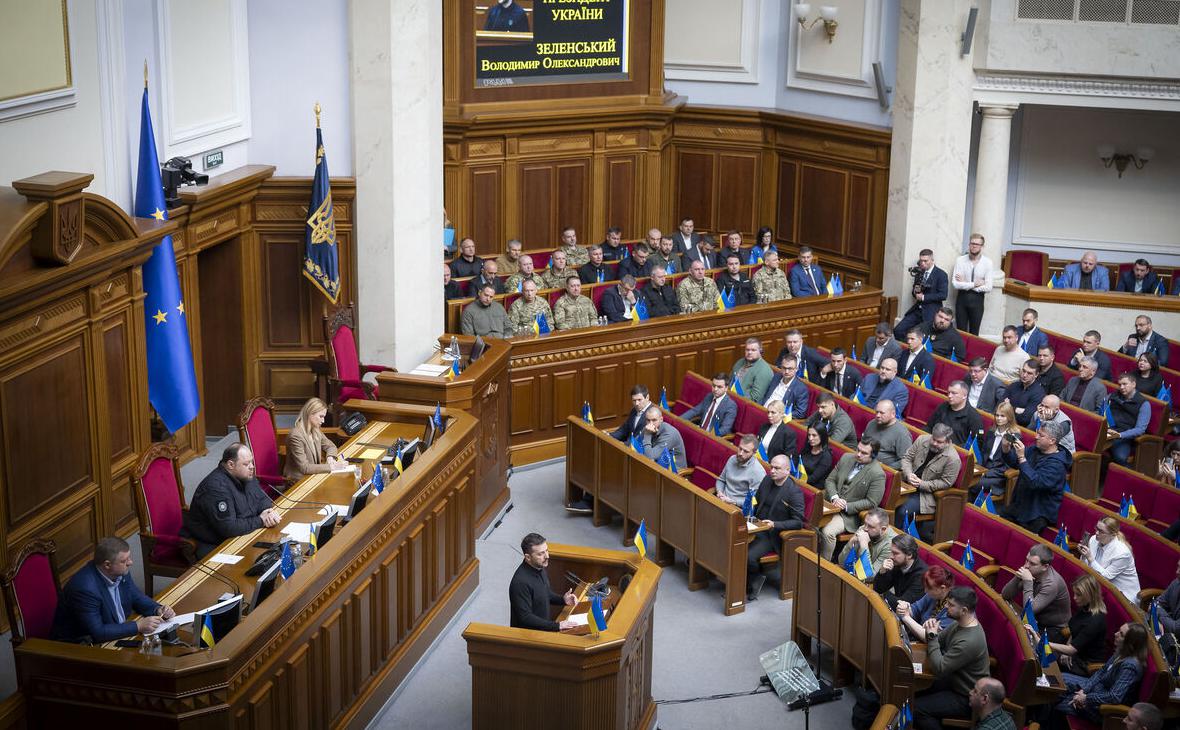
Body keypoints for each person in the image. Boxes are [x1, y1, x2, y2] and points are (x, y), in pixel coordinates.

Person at [50, 537, 176, 643]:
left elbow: (135, 596)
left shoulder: (120, 571)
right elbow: (98, 632)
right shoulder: (85, 589)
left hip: (116, 631)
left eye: (129, 558)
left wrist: (157, 609)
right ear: (107, 565)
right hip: (80, 645)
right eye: (124, 560)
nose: (131, 563)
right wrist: (138, 626)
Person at [181, 444, 280, 558]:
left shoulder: (245, 475)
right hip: (216, 544)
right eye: (246, 464)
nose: (252, 467)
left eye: (251, 462)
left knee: (276, 551)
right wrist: (261, 520)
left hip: (243, 534)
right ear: (231, 465)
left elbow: (262, 498)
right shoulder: (216, 488)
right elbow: (229, 528)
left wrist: (268, 511)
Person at [911, 585, 989, 730]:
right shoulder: (960, 624)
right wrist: (931, 632)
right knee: (910, 690)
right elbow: (938, 640)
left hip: (965, 695)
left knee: (917, 709)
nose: (946, 606)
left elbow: (939, 668)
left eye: (951, 605)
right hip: (952, 680)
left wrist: (932, 635)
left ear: (964, 610)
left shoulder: (969, 641)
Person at [1049, 623, 1148, 728]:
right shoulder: (1122, 651)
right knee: (1059, 683)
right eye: (1119, 630)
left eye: (1121, 634)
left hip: (1104, 707)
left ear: (1130, 643)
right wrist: (1085, 689)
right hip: (1096, 689)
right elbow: (1102, 671)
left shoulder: (1130, 666)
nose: (1115, 634)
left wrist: (1086, 698)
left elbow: (1114, 697)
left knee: (1061, 704)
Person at [745, 454, 806, 600]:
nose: (772, 470)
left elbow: (798, 522)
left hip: (772, 534)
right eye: (771, 467)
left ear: (787, 470)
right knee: (734, 543)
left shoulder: (793, 492)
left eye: (777, 468)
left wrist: (775, 524)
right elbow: (757, 502)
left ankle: (755, 579)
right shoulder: (767, 480)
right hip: (756, 525)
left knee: (748, 556)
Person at [820, 437, 886, 560]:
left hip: (848, 515)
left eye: (864, 453)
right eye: (858, 450)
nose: (859, 454)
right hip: (830, 503)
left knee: (827, 532)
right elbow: (830, 480)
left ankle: (824, 565)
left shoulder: (877, 474)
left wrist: (846, 506)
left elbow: (872, 502)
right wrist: (834, 497)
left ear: (874, 455)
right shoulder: (846, 458)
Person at [1000, 422, 1071, 535]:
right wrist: (1006, 448)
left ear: (1052, 441)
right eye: (1037, 433)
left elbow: (1035, 482)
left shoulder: (1057, 465)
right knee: (999, 526)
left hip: (1036, 515)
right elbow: (1014, 462)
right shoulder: (1035, 450)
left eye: (1041, 435)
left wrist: (1022, 457)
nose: (1036, 436)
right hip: (1021, 506)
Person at [1030, 574, 1107, 677]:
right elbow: (1073, 631)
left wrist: (1044, 643)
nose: (1075, 598)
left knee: (1043, 656)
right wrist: (1066, 649)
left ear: (1090, 595)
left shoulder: (1095, 621)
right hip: (1073, 653)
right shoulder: (1085, 608)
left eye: (1079, 595)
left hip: (1085, 664)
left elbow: (1072, 649)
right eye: (1075, 593)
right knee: (1039, 651)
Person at [898, 424, 961, 540]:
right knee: (887, 498)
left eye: (939, 442)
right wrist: (908, 473)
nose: (935, 443)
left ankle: (899, 539)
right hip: (907, 482)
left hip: (926, 495)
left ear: (948, 442)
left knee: (903, 510)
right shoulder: (922, 439)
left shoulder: (953, 459)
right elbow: (907, 458)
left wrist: (922, 484)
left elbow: (946, 483)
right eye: (933, 439)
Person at [1000, 545, 1070, 642]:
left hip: (1053, 630)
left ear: (1045, 567)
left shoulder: (1051, 584)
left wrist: (1028, 582)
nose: (1026, 566)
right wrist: (1018, 577)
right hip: (1035, 620)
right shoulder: (1031, 571)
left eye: (1032, 563)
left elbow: (1029, 611)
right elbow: (1005, 595)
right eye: (1026, 560)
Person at [509, 533, 577, 631]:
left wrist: (563, 600)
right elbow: (525, 618)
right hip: (528, 638)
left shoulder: (538, 567)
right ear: (528, 557)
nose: (547, 556)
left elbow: (545, 593)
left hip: (541, 631)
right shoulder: (520, 582)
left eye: (546, 551)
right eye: (540, 554)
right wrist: (557, 626)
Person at [968, 402, 1021, 502]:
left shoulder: (1014, 436)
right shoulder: (991, 431)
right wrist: (978, 468)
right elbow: (984, 453)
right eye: (997, 415)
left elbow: (1011, 463)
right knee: (967, 477)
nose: (998, 418)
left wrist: (987, 473)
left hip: (999, 475)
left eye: (1002, 416)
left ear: (1009, 417)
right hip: (986, 468)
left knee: (975, 484)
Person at [1079, 517, 1141, 602]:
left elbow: (1106, 577)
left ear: (1113, 535)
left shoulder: (1122, 553)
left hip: (1123, 597)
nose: (1096, 533)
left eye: (1101, 531)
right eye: (1096, 528)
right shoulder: (1094, 539)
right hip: (1100, 587)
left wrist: (1090, 558)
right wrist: (1083, 555)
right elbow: (1087, 566)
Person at [284, 397, 345, 480]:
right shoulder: (295, 436)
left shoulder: (315, 430)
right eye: (321, 416)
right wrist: (331, 467)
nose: (323, 421)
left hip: (312, 476)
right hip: (298, 481)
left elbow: (331, 446)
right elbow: (304, 468)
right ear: (310, 413)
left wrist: (330, 458)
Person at [893, 248, 949, 340]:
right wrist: (915, 292)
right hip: (917, 310)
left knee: (923, 338)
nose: (922, 263)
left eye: (925, 261)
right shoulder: (919, 272)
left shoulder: (941, 274)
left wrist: (924, 297)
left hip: (931, 312)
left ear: (932, 260)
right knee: (898, 330)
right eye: (921, 261)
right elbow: (914, 292)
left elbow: (943, 295)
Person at [896, 563, 955, 638]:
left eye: (929, 588)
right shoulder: (933, 595)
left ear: (942, 588)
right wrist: (905, 608)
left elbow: (930, 637)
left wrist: (906, 617)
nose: (925, 591)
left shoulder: (953, 607)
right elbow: (915, 609)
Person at [836, 507, 897, 579]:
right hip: (854, 573)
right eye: (865, 524)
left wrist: (864, 546)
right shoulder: (863, 529)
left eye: (871, 526)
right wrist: (851, 543)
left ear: (883, 529)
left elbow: (869, 577)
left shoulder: (891, 545)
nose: (865, 528)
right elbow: (842, 563)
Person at [951, 233, 993, 335]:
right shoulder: (960, 260)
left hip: (977, 301)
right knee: (960, 332)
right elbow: (955, 284)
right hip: (962, 299)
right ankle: (961, 351)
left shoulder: (988, 262)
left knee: (975, 333)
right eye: (972, 243)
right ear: (969, 244)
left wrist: (965, 283)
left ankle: (972, 351)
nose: (974, 246)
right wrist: (974, 284)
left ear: (982, 246)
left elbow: (988, 287)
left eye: (977, 244)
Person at [872, 533, 928, 610]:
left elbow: (901, 604)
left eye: (895, 553)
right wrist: (882, 572)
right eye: (891, 552)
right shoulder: (897, 564)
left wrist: (883, 594)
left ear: (909, 555)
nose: (891, 556)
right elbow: (878, 589)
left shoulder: (922, 575)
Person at [1106, 373, 1151, 466]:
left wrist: (1120, 435)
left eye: (1125, 384)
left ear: (1133, 384)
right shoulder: (1114, 395)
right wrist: (1105, 427)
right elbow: (1103, 410)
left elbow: (1140, 429)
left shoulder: (1144, 404)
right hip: (1108, 430)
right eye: (1119, 384)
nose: (1121, 387)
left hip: (1123, 435)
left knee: (1120, 458)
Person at [925, 381, 983, 447]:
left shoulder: (974, 417)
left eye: (954, 393)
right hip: (934, 445)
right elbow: (929, 427)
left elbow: (976, 444)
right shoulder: (942, 406)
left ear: (964, 396)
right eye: (949, 392)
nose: (949, 396)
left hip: (954, 453)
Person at [715, 434, 767, 504]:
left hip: (738, 508)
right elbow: (721, 480)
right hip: (721, 499)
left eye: (746, 451)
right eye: (740, 448)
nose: (740, 453)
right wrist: (720, 492)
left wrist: (734, 502)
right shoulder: (732, 459)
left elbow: (754, 501)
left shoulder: (758, 472)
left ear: (754, 453)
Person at [682, 373, 737, 437]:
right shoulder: (709, 396)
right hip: (700, 431)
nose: (715, 389)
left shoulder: (730, 405)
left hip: (712, 437)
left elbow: (725, 429)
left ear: (726, 388)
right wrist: (679, 420)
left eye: (719, 387)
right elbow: (695, 411)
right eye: (714, 386)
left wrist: (709, 436)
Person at [862, 399, 912, 469]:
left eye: (882, 413)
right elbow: (863, 444)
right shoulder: (872, 423)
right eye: (877, 412)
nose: (878, 415)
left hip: (881, 470)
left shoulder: (902, 433)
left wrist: (886, 469)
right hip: (864, 462)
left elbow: (905, 460)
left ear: (893, 414)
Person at [1000, 359, 1045, 427]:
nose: (1024, 375)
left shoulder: (1039, 393)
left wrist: (1009, 407)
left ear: (1036, 375)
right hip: (1002, 422)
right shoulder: (1013, 385)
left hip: (1019, 428)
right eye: (1023, 371)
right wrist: (1017, 410)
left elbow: (1025, 419)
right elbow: (1000, 407)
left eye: (1029, 373)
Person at [641, 406, 686, 470]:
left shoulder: (669, 434)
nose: (651, 424)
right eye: (648, 420)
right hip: (658, 465)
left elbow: (650, 457)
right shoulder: (648, 427)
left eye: (654, 420)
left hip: (674, 472)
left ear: (661, 420)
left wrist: (647, 435)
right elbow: (637, 442)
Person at [730, 337, 774, 403]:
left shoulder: (764, 370)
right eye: (747, 350)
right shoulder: (740, 362)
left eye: (753, 350)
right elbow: (729, 380)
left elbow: (755, 398)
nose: (749, 352)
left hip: (743, 403)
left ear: (760, 351)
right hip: (730, 396)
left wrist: (734, 399)